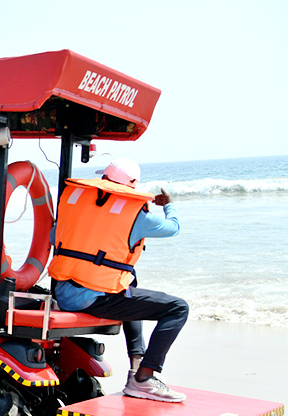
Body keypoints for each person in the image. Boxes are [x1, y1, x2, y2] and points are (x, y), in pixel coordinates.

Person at [50, 158, 188, 402]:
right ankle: (144, 378)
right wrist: (170, 205)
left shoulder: (75, 203)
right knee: (178, 308)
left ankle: (137, 365)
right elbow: (173, 228)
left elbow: (54, 238)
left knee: (127, 285)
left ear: (103, 179)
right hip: (95, 298)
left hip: (64, 291)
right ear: (132, 186)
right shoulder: (137, 214)